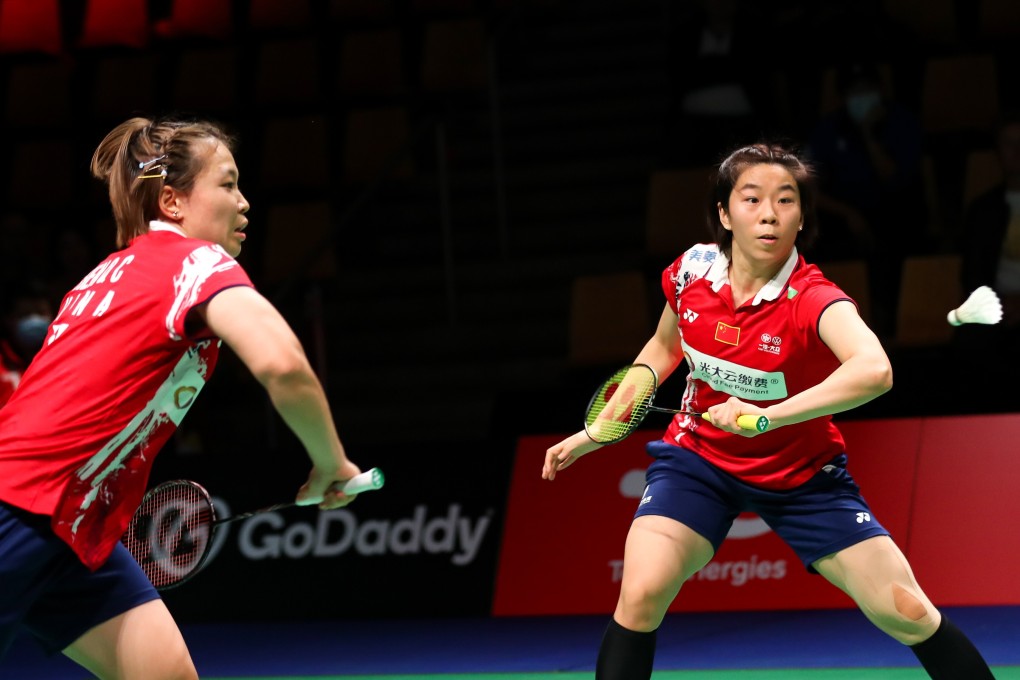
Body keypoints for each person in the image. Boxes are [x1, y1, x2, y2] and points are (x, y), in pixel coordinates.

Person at [542, 142, 994, 679]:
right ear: (723, 213)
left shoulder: (812, 298)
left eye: (786, 201)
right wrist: (597, 431)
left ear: (802, 218)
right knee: (641, 593)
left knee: (907, 611)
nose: (768, 214)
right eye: (752, 199)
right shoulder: (691, 272)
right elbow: (663, 350)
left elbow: (875, 370)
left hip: (801, 476)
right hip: (698, 461)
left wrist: (767, 417)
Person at [0, 116, 363, 679]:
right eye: (227, 184)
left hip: (70, 525)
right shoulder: (195, 263)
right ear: (172, 201)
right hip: (18, 512)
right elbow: (283, 366)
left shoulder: (102, 276)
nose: (244, 203)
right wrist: (329, 462)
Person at [805, 60, 927, 339]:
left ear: (880, 90)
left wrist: (868, 134)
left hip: (896, 211)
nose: (861, 96)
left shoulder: (902, 121)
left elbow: (894, 178)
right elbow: (807, 187)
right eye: (854, 91)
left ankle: (892, 328)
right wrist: (848, 213)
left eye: (867, 89)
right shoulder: (829, 127)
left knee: (895, 242)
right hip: (842, 215)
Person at [0, 281, 53, 408]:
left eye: (41, 313)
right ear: (8, 319)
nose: (34, 321)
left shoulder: (63, 356)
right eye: (25, 314)